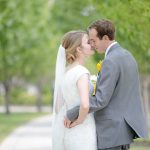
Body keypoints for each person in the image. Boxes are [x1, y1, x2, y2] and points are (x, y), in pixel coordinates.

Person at [64, 19, 148, 150]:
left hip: (111, 132)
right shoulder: (127, 56)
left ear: (105, 38)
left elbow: (101, 100)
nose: (92, 44)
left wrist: (72, 113)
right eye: (90, 41)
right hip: (123, 131)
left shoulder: (110, 61)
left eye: (94, 40)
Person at [52, 30, 97, 150]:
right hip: (83, 131)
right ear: (79, 49)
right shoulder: (81, 72)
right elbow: (85, 104)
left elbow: (57, 107)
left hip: (68, 133)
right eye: (88, 42)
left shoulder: (66, 72)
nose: (91, 44)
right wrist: (79, 121)